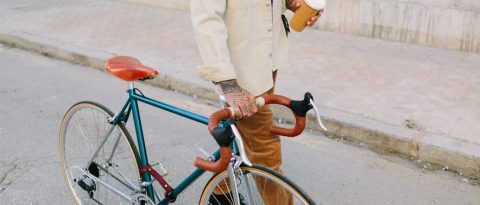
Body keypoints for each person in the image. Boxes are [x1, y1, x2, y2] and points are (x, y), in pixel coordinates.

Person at [190, 0, 323, 204]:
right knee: (265, 151)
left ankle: (220, 194)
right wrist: (228, 83)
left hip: (266, 59)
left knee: (240, 134)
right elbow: (206, 21)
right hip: (240, 73)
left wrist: (292, 3)